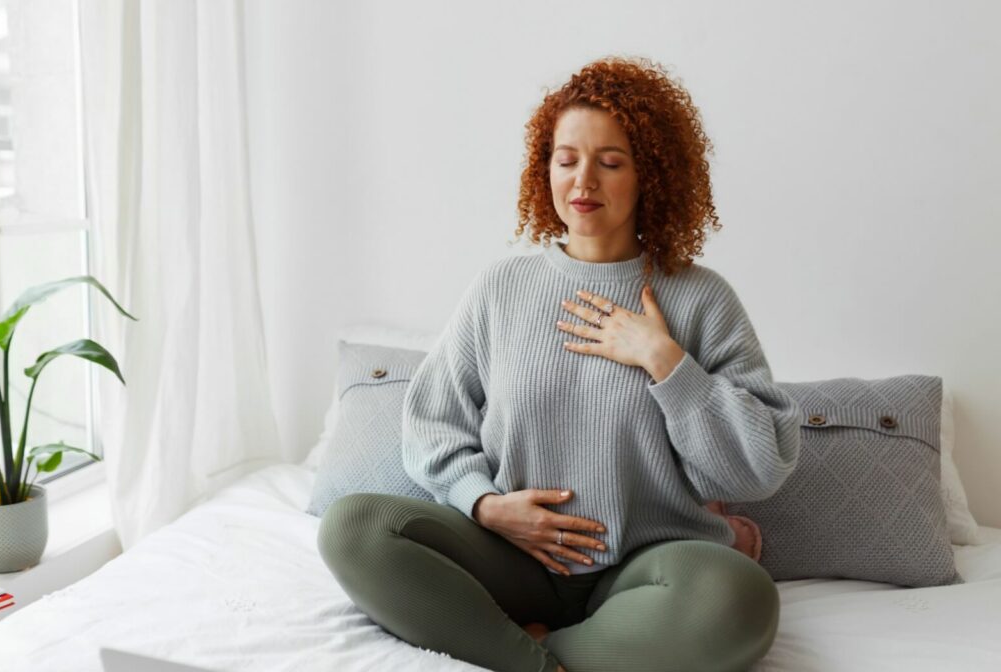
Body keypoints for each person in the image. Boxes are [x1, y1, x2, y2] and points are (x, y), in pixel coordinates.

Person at [318, 56, 802, 672]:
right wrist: (486, 506)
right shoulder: (502, 287)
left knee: (741, 599)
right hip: (509, 556)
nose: (583, 183)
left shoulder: (700, 298)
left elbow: (761, 465)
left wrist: (665, 361)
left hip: (644, 568)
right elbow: (432, 421)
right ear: (543, 167)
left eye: (611, 162)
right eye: (567, 159)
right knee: (354, 527)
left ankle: (533, 647)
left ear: (650, 173)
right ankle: (543, 663)